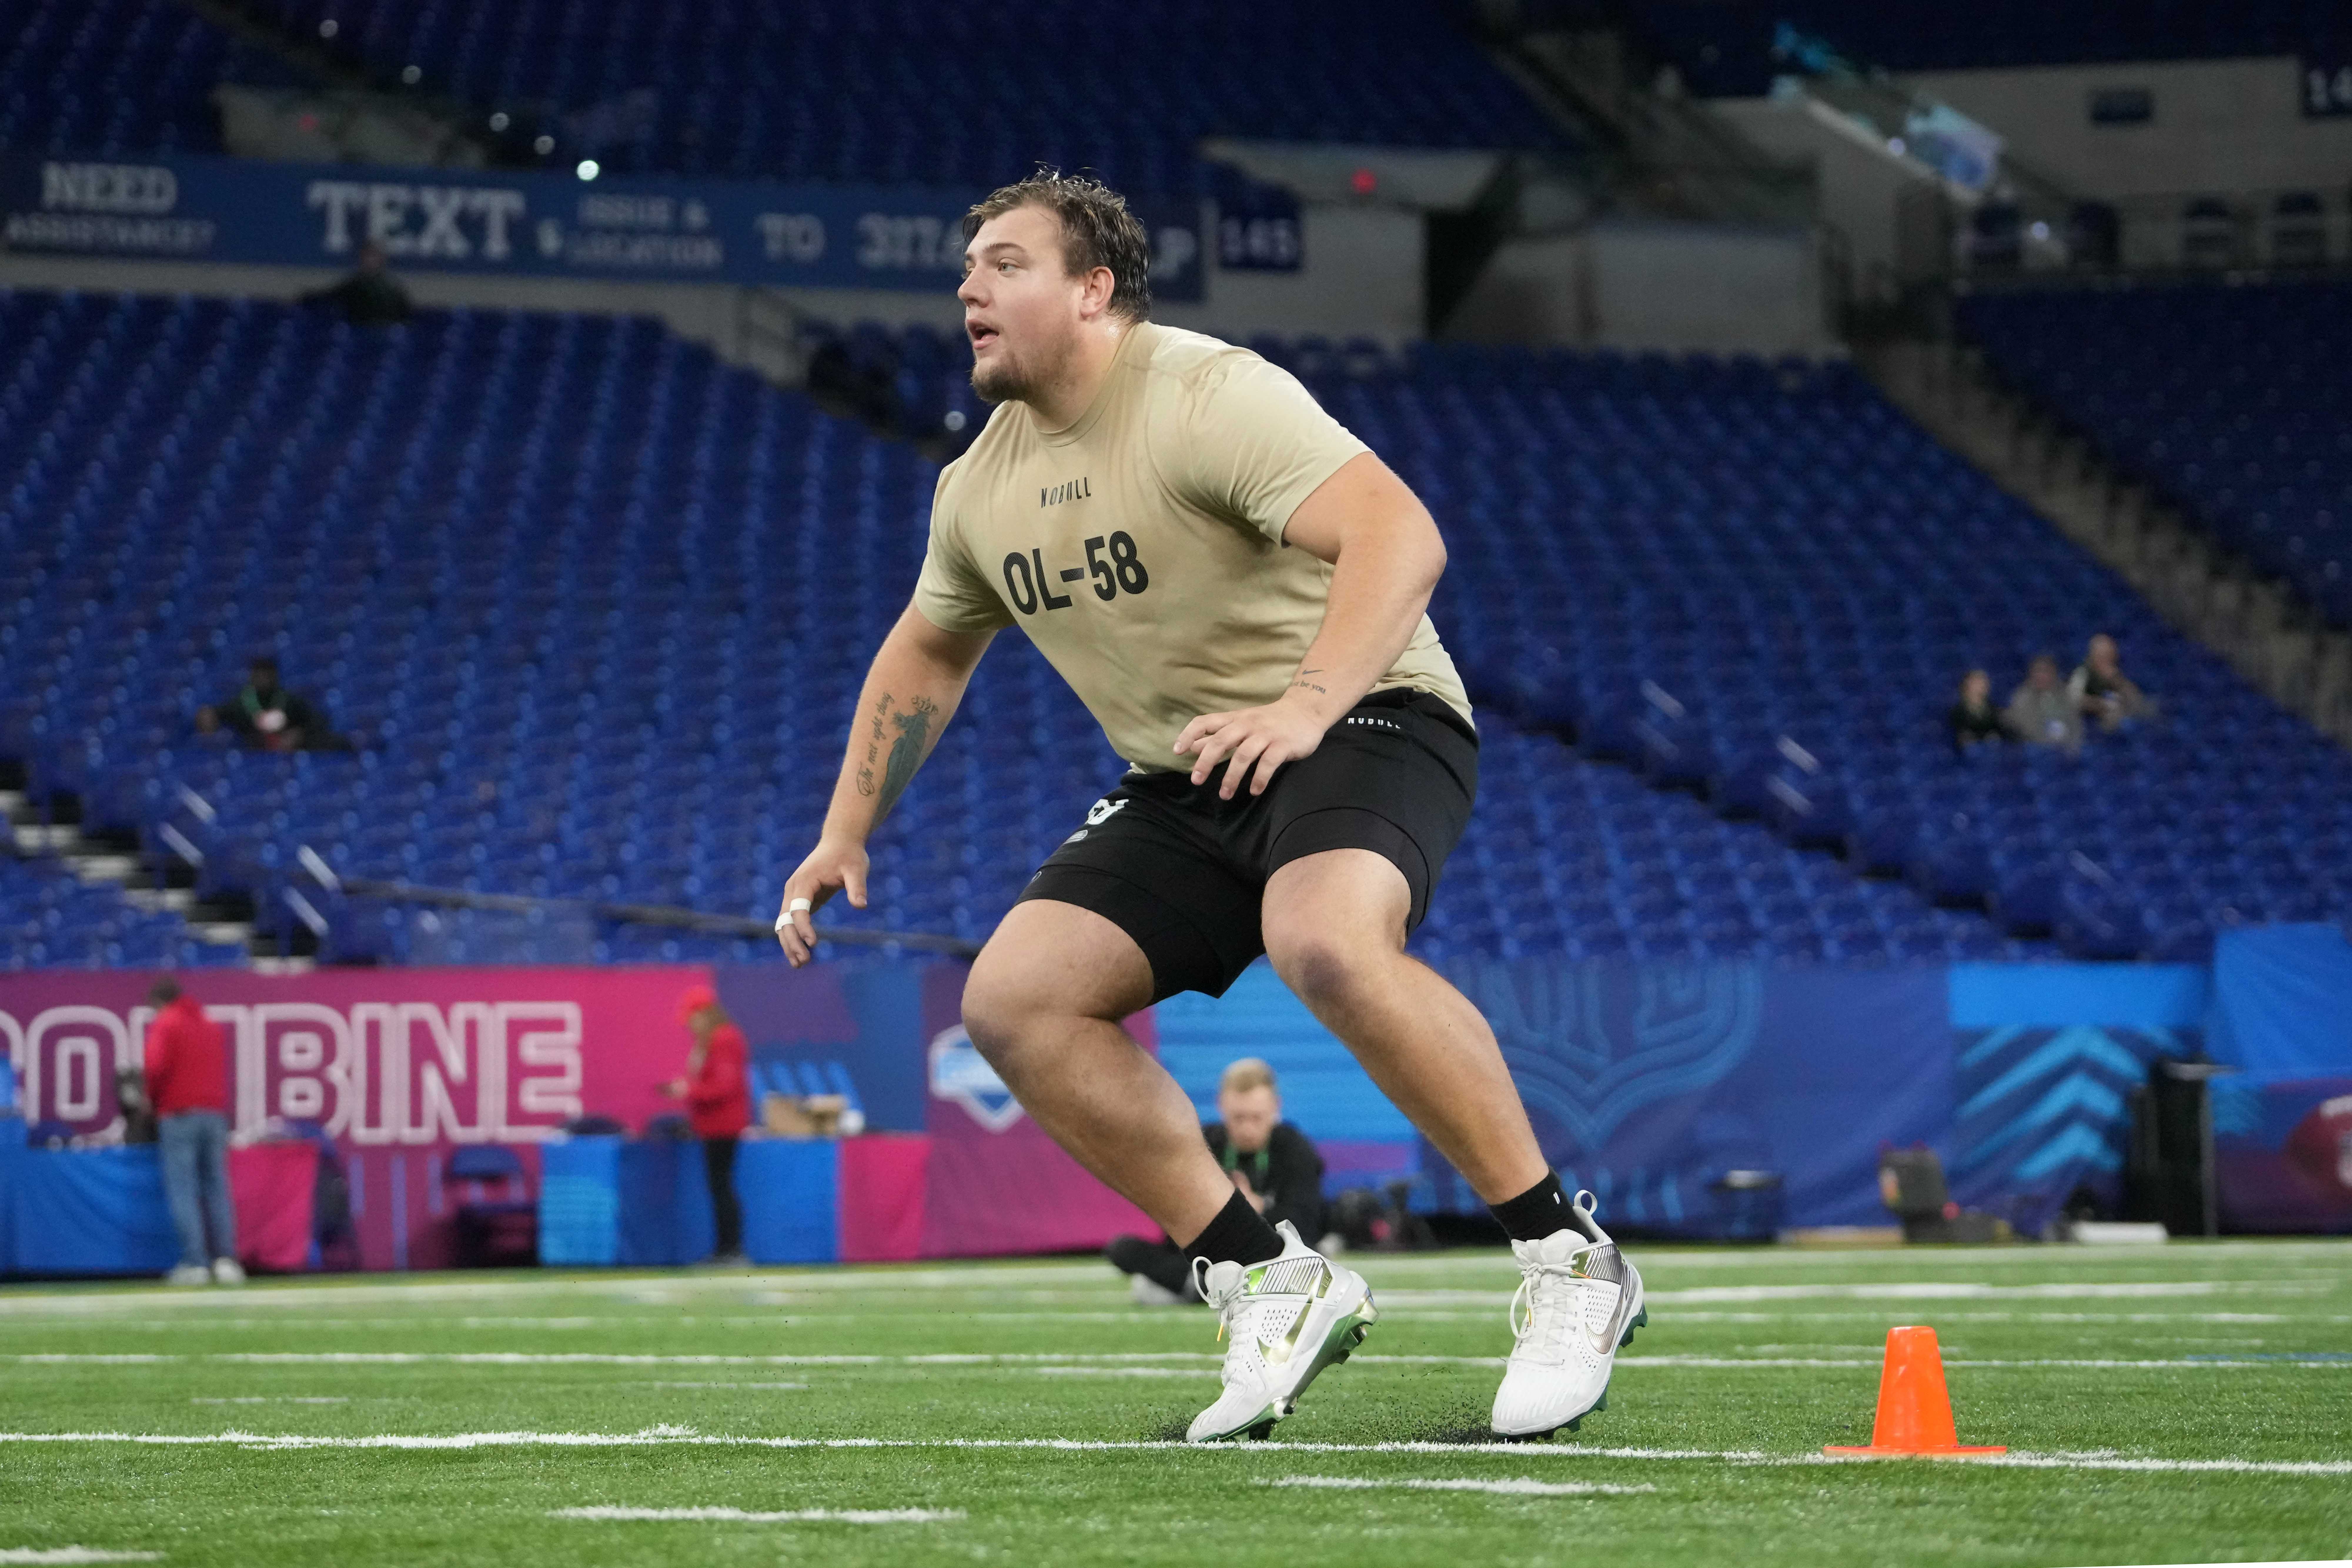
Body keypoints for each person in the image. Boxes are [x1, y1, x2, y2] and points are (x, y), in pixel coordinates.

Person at [775, 170, 1643, 1444]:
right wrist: (844, 829)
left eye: (1005, 263)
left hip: (1364, 714)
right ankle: (1267, 1276)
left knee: (1326, 940)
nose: (969, 286)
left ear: (1092, 289)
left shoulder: (1201, 393)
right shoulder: (978, 486)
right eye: (967, 267)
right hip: (1189, 771)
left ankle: (1569, 1259)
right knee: (1015, 1001)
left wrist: (1301, 705)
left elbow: (1398, 535)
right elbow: (926, 653)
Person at [1106, 1058, 1326, 1305]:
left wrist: (1256, 1210)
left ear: (1276, 1108)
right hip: (1211, 1257)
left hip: (1269, 1254)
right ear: (1222, 1106)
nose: (1247, 1129)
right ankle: (1207, 1287)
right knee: (1123, 1249)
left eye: (1257, 1118)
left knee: (1311, 1256)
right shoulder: (1203, 1144)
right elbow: (1176, 1230)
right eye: (1238, 1118)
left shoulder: (1295, 1149)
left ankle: (1200, 1290)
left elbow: (1305, 1225)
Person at [143, 978, 241, 1286]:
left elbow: (155, 1068)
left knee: (183, 1188)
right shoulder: (210, 1025)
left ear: (159, 1002)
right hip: (214, 1114)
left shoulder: (166, 1023)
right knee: (216, 1187)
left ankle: (195, 1262)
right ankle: (226, 1261)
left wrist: (151, 1102)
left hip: (179, 1113)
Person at [664, 985, 750, 1266]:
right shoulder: (711, 1041)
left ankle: (731, 1250)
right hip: (713, 1126)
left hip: (724, 1126)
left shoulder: (725, 1039)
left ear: (704, 1014)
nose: (689, 1025)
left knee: (722, 1186)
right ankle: (726, 1249)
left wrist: (688, 1091)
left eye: (692, 1018)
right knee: (719, 1186)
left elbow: (724, 1086)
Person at [195, 656, 328, 752]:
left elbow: (316, 721)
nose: (263, 681)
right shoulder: (242, 703)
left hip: (288, 756)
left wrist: (299, 734)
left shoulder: (289, 700)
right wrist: (209, 715)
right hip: (254, 755)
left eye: (267, 676)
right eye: (259, 676)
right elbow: (219, 713)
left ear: (275, 677)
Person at [300, 240, 412, 327]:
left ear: (382, 260)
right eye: (368, 256)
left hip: (385, 335)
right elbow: (331, 295)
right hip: (359, 332)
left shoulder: (393, 288)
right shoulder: (354, 285)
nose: (371, 261)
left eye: (374, 256)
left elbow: (404, 315)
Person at [2070, 633, 2154, 733]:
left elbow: (2137, 703)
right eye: (2102, 656)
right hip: (2092, 724)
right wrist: (2101, 705)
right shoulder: (2083, 673)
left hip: (2124, 720)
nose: (2107, 660)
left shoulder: (2120, 673)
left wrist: (2117, 681)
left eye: (2110, 655)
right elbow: (2074, 700)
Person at [2005, 653, 2082, 752]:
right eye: (2038, 672)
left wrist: (2071, 745)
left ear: (2054, 674)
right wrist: (2048, 745)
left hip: (2066, 750)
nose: (2041, 676)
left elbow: (2075, 724)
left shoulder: (2065, 695)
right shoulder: (2022, 698)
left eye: (2046, 671)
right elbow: (2026, 729)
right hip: (2035, 752)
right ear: (2031, 674)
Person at [1947, 669, 2013, 754]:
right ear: (1967, 685)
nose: (1983, 685)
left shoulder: (1995, 710)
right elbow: (1961, 736)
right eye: (1977, 682)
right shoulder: (1958, 712)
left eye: (1985, 682)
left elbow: (2002, 733)